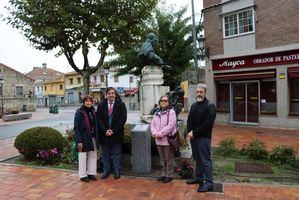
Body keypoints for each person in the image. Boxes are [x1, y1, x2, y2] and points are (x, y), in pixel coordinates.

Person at [186, 83, 216, 192]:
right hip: (193, 137)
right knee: (197, 159)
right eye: (197, 92)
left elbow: (208, 124)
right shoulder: (194, 105)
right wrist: (189, 132)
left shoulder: (210, 106)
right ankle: (199, 178)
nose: (199, 94)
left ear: (205, 93)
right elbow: (189, 120)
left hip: (204, 138)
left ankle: (209, 183)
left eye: (201, 92)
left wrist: (194, 133)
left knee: (205, 160)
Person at [96, 87, 127, 180]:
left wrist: (113, 130)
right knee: (105, 154)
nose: (111, 95)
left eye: (112, 93)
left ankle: (117, 171)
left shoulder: (121, 104)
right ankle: (106, 171)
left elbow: (123, 119)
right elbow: (99, 119)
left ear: (115, 94)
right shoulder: (101, 105)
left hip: (116, 134)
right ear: (106, 95)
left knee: (117, 153)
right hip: (104, 134)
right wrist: (105, 130)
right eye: (109, 93)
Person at [150, 95, 177, 183]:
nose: (163, 102)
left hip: (167, 139)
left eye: (165, 101)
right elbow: (152, 125)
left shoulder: (171, 112)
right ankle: (163, 173)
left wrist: (160, 134)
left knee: (169, 158)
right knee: (162, 158)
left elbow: (171, 125)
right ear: (159, 102)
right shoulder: (156, 113)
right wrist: (154, 133)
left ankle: (169, 174)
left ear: (168, 102)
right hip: (158, 140)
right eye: (162, 101)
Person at [74, 95, 99, 182]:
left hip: (93, 137)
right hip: (83, 137)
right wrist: (79, 140)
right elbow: (76, 127)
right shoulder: (79, 112)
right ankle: (83, 175)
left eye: (90, 101)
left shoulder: (93, 111)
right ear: (84, 102)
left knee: (92, 155)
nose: (88, 102)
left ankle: (91, 173)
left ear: (92, 102)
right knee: (82, 156)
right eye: (86, 101)